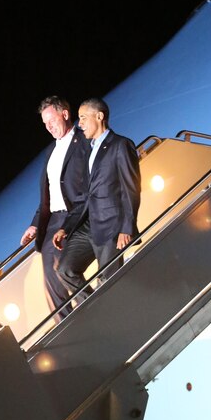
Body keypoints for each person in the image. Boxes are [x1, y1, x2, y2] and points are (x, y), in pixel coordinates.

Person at [53, 96, 141, 307]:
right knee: (65, 269)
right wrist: (66, 227)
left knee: (109, 279)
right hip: (89, 225)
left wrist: (126, 228)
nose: (79, 123)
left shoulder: (121, 145)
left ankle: (112, 313)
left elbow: (132, 189)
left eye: (83, 117)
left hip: (112, 226)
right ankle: (94, 307)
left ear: (99, 116)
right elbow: (85, 196)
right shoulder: (90, 151)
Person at [20, 95, 90, 320]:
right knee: (50, 280)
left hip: (76, 215)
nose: (49, 127)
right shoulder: (51, 152)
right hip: (53, 221)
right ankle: (66, 323)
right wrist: (34, 225)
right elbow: (47, 195)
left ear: (65, 114)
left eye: (51, 121)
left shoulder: (84, 141)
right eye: (45, 124)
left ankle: (93, 305)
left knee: (66, 271)